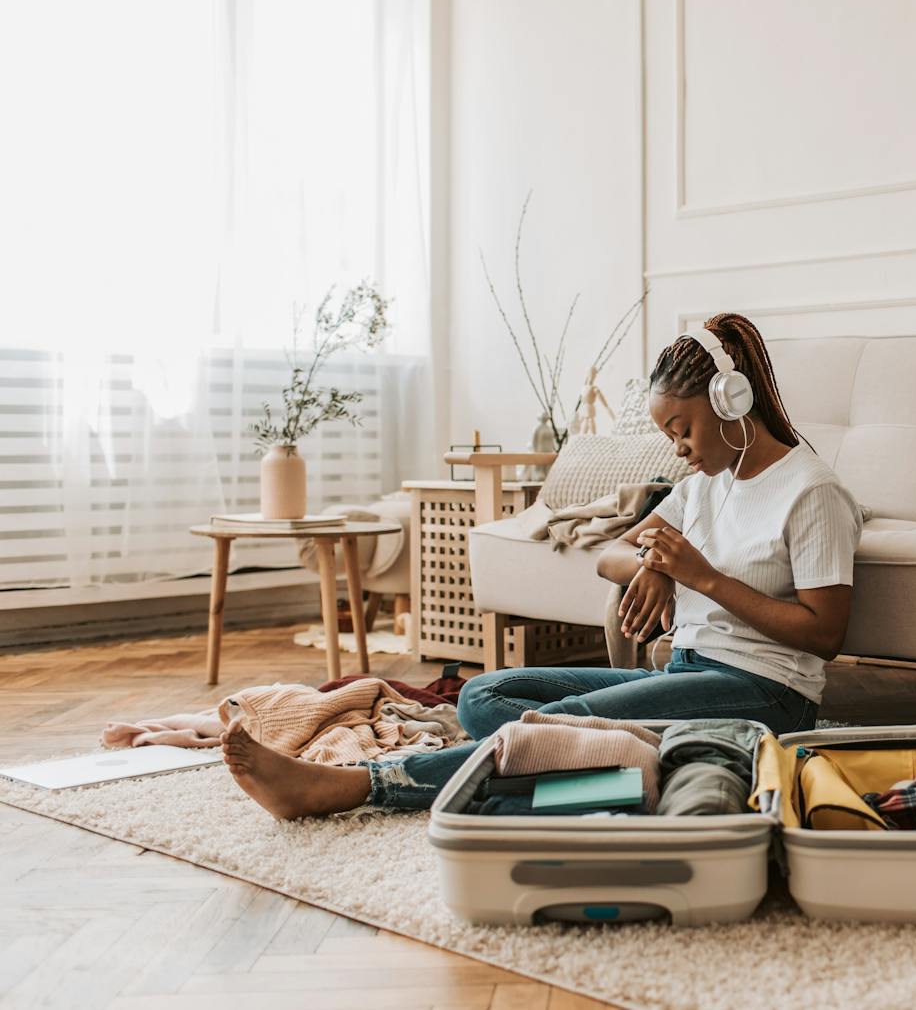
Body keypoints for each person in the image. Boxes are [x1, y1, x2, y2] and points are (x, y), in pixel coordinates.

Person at [222, 313, 863, 819]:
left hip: (763, 693)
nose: (678, 448)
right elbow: (613, 555)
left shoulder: (811, 492)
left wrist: (702, 577)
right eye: (668, 433)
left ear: (730, 403)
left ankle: (358, 787)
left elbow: (824, 635)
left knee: (562, 727)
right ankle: (601, 782)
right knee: (484, 693)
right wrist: (658, 568)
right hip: (691, 668)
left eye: (683, 428)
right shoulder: (705, 485)